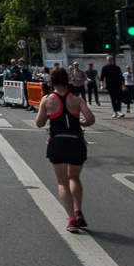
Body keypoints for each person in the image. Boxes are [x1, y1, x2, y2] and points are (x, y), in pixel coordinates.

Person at [36, 66, 95, 233]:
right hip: (76, 142)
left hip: (58, 143)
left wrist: (47, 114)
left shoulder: (47, 99)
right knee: (74, 178)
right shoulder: (76, 98)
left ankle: (70, 219)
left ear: (52, 81)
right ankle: (78, 211)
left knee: (62, 182)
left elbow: (39, 123)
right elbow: (90, 118)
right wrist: (82, 123)